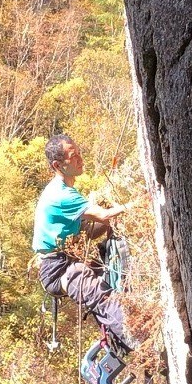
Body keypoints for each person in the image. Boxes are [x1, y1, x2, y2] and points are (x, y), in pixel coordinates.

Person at [32, 133, 130, 351]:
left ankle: (119, 339)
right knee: (103, 298)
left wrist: (111, 223)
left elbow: (91, 231)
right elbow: (103, 216)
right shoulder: (60, 195)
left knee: (109, 267)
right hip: (58, 269)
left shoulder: (66, 190)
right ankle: (141, 339)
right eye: (73, 156)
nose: (80, 159)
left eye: (79, 153)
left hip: (64, 260)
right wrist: (133, 205)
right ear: (58, 165)